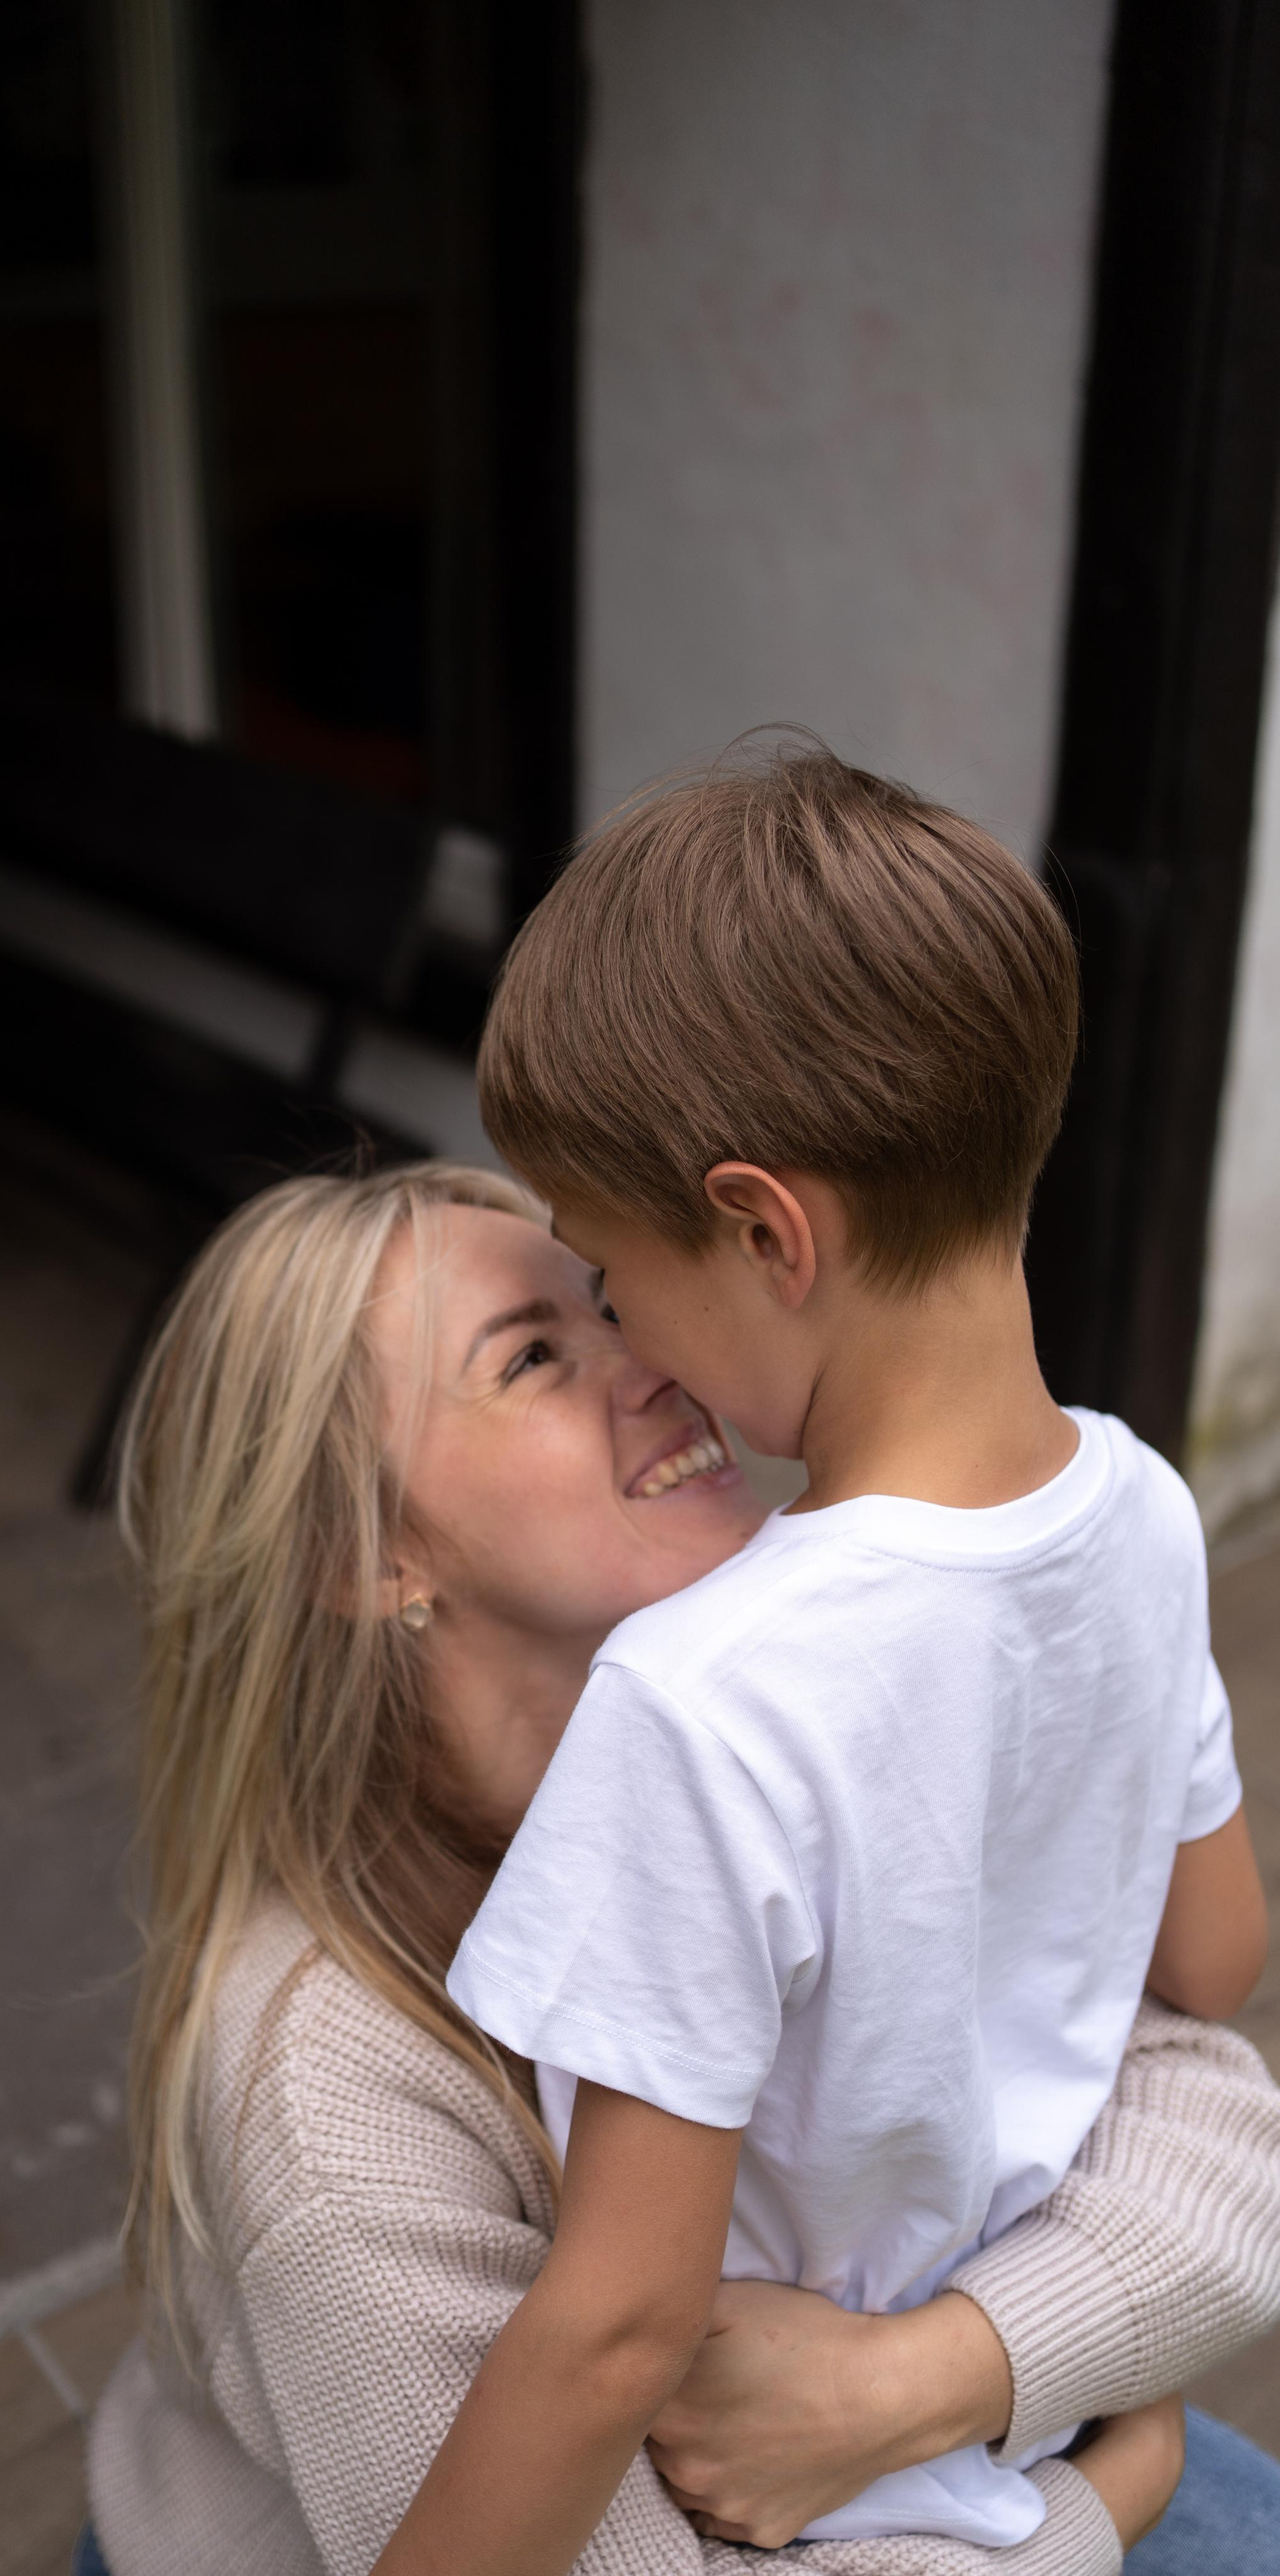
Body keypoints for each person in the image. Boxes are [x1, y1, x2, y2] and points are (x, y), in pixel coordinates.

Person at [78, 1161, 1280, 2576]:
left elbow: (1203, 2104)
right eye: (528, 1356)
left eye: (605, 1305)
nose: (648, 1361)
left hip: (922, 2447)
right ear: (368, 1554)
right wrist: (1106, 2497)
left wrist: (944, 2375)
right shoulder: (322, 2087)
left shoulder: (818, 1699)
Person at [360, 746, 1273, 2573]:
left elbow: (621, 2324)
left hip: (819, 2518)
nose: (634, 1344)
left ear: (768, 1229)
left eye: (615, 1278)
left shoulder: (710, 1697)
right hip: (1028, 2400)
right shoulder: (1149, 1509)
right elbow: (1217, 1953)